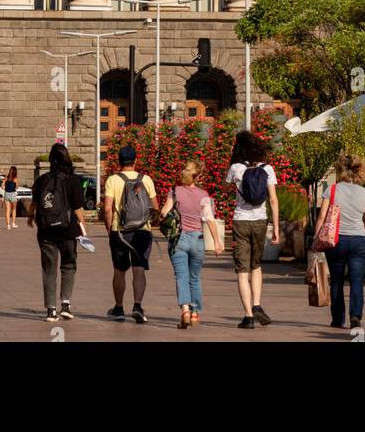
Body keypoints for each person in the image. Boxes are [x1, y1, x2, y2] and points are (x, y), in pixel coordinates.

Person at [225, 131, 279, 330]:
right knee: (256, 265)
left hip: (241, 221)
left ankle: (248, 316)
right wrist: (276, 229)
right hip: (260, 221)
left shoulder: (236, 168)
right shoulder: (268, 168)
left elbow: (224, 188)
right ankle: (257, 304)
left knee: (242, 269)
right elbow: (273, 200)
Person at [159, 159, 223, 328]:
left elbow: (164, 212)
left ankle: (185, 310)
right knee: (194, 278)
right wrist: (217, 242)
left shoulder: (174, 191)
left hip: (178, 239)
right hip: (197, 239)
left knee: (181, 276)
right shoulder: (204, 195)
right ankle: (195, 314)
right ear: (199, 175)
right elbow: (209, 220)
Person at [314, 153, 365, 331]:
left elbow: (322, 217)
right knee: (356, 279)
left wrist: (316, 239)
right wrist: (364, 229)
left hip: (336, 240)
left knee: (337, 280)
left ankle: (337, 319)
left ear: (340, 169)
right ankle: (355, 315)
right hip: (358, 240)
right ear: (359, 170)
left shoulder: (331, 190)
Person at [28, 143, 86, 321]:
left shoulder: (42, 180)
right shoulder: (72, 180)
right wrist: (83, 226)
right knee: (68, 265)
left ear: (51, 160)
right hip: (68, 231)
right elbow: (78, 208)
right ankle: (66, 305)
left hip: (46, 231)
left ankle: (51, 310)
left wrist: (30, 218)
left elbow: (34, 204)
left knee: (49, 269)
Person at [103, 145, 158, 324]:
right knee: (139, 269)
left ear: (119, 160)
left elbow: (107, 208)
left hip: (120, 231)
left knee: (119, 271)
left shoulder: (113, 180)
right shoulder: (146, 179)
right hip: (142, 230)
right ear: (135, 160)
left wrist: (109, 227)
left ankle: (118, 308)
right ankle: (137, 306)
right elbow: (155, 207)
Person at [2, 166, 19, 230]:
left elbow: (1, 186)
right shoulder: (15, 179)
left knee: (7, 210)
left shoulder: (6, 178)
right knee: (14, 209)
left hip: (6, 194)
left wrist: (5, 187)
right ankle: (13, 223)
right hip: (13, 194)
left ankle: (8, 225)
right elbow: (17, 187)